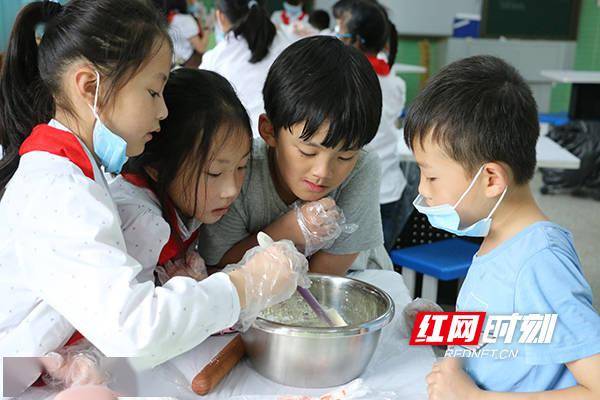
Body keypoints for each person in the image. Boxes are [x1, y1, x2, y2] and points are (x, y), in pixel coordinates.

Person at [0, 0, 308, 388]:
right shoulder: (58, 191)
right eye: (152, 92)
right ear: (90, 87)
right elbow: (136, 331)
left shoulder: (77, 173)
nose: (163, 112)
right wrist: (246, 285)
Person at [403, 55, 600, 399]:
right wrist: (447, 328)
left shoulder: (540, 263)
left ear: (491, 179)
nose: (422, 189)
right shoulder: (499, 235)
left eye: (431, 175)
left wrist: (477, 398)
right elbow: (515, 330)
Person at [199, 36, 394, 276]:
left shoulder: (363, 167)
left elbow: (323, 280)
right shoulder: (240, 169)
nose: (323, 172)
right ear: (269, 131)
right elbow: (219, 262)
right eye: (307, 152)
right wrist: (289, 229)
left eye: (345, 157)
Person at [110, 68, 252, 285]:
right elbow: (132, 312)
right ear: (157, 168)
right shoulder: (141, 221)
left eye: (242, 167)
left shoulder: (185, 200)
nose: (232, 190)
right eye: (214, 173)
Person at [336, 0, 407, 250]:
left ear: (356, 41)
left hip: (361, 193)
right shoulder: (394, 82)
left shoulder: (346, 82)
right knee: (377, 264)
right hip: (391, 189)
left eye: (340, 33)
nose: (336, 37)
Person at [201, 0, 290, 137]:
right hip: (283, 140)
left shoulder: (215, 58)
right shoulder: (284, 41)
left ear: (221, 17)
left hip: (240, 145)